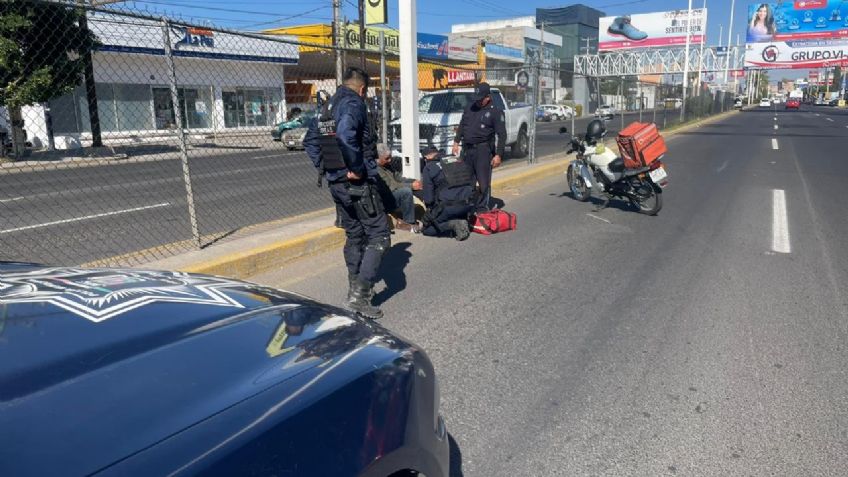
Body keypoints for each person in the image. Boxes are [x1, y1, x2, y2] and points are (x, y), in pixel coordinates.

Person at [304, 67, 389, 320]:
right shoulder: (354, 104)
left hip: (336, 183)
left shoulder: (327, 107)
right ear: (362, 89)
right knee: (379, 235)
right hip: (357, 183)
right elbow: (345, 135)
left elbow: (310, 141)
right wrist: (354, 167)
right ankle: (359, 297)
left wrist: (328, 167)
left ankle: (354, 289)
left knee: (354, 234)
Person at [451, 82, 506, 212]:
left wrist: (498, 155)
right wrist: (456, 142)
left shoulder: (495, 112)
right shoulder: (470, 107)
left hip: (483, 150)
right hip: (467, 149)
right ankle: (468, 206)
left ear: (488, 97)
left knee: (483, 182)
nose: (478, 101)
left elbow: (502, 135)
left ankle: (482, 208)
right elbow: (463, 124)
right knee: (467, 180)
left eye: (481, 99)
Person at [420, 146, 473, 241]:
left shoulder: (429, 167)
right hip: (468, 204)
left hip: (449, 207)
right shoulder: (456, 159)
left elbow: (429, 199)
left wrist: (430, 211)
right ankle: (462, 222)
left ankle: (454, 224)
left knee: (427, 229)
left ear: (426, 158)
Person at [375, 143, 422, 233]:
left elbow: (399, 178)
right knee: (406, 192)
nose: (390, 160)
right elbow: (392, 186)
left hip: (391, 196)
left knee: (415, 186)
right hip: (383, 201)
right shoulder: (376, 170)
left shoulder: (387, 165)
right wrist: (411, 186)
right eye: (386, 158)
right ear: (378, 158)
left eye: (390, 157)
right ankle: (408, 223)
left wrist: (413, 181)